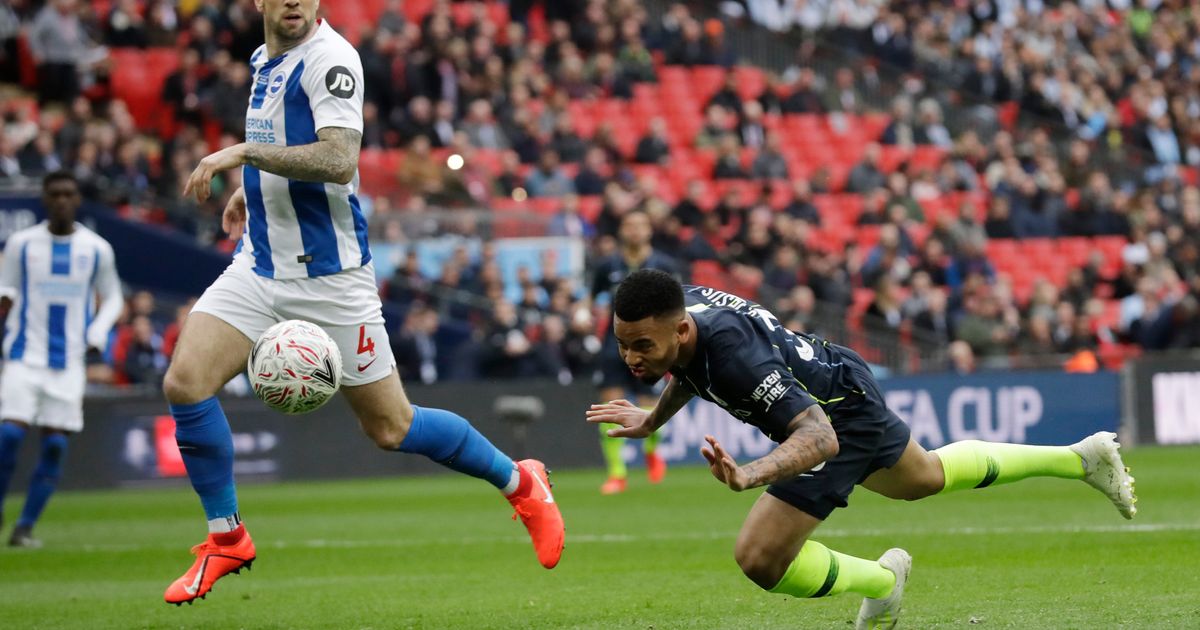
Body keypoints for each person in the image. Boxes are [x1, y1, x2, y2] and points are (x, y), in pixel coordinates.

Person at [163, 0, 563, 605]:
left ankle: (521, 482)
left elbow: (337, 158)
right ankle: (227, 538)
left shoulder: (333, 60)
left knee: (391, 426)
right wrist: (254, 194)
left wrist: (241, 155)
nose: (295, 1)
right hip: (259, 262)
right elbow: (281, 142)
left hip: (332, 278)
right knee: (185, 382)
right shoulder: (264, 59)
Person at [587, 270, 1136, 629]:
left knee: (759, 558)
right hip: (838, 374)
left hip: (834, 416)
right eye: (623, 343)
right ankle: (1080, 458)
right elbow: (686, 368)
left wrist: (750, 475)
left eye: (643, 346)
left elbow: (819, 437)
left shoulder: (733, 358)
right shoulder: (680, 310)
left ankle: (881, 582)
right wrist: (653, 420)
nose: (631, 357)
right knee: (923, 477)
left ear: (681, 330)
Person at [0, 171, 123, 547]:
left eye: (68, 194)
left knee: (55, 445)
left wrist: (97, 333)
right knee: (7, 436)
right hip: (24, 356)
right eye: (54, 194)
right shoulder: (21, 244)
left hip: (69, 362)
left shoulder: (96, 249)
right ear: (44, 198)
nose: (62, 201)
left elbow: (114, 297)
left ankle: (24, 527)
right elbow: (6, 285)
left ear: (78, 200)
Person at [589, 211, 678, 494]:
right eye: (629, 225)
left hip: (652, 346)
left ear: (649, 230)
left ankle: (652, 452)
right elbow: (593, 299)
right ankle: (617, 473)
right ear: (621, 231)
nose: (635, 230)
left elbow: (678, 303)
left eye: (641, 224)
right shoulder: (607, 265)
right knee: (610, 404)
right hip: (612, 344)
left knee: (651, 406)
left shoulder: (664, 264)